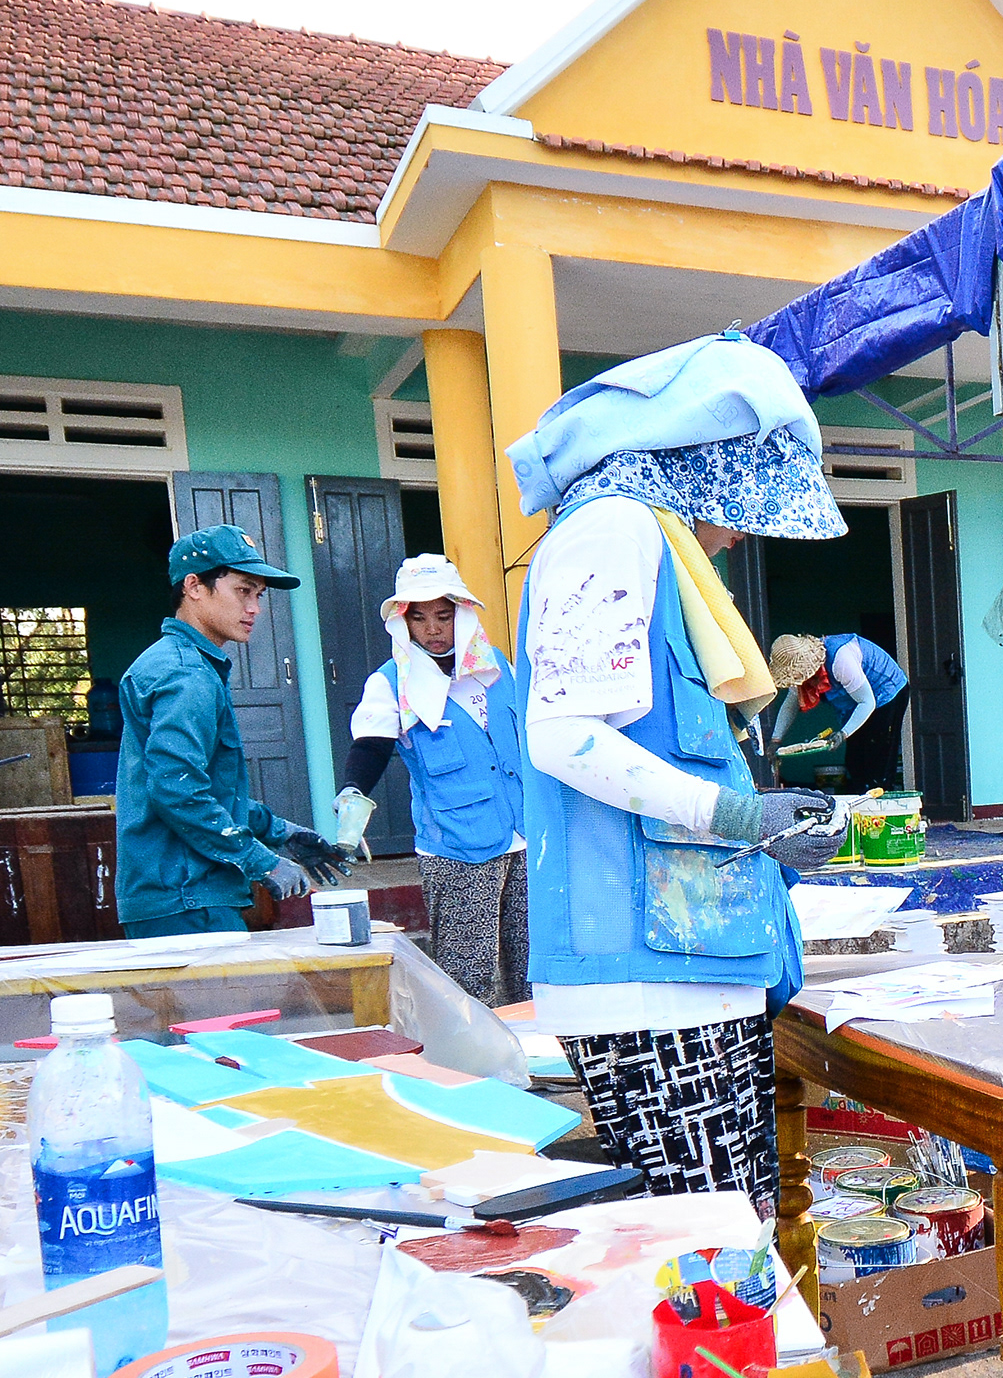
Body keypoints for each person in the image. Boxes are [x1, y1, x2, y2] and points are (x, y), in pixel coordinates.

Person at [506, 331, 837, 1213]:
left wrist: (755, 821)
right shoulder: (613, 528)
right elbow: (563, 735)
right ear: (705, 462)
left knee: (735, 1238)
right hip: (647, 981)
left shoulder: (648, 542)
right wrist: (738, 816)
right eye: (741, 501)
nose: (733, 534)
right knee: (714, 1251)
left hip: (689, 964)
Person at [113, 525, 340, 936]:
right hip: (186, 897)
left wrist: (279, 831)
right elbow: (178, 790)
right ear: (194, 586)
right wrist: (262, 860)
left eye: (259, 595)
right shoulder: (186, 674)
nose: (254, 607)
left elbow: (203, 788)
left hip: (180, 895)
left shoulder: (181, 664)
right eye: (242, 590)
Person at [333, 551, 530, 1006]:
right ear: (404, 622)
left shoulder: (496, 666)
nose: (434, 628)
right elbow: (371, 747)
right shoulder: (390, 683)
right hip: (458, 845)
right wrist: (352, 794)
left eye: (444, 615)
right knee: (469, 973)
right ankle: (478, 1065)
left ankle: (539, 1062)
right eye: (420, 619)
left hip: (524, 830)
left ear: (462, 614)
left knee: (531, 964)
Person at [765, 628, 910, 792]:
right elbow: (791, 704)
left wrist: (844, 733)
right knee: (854, 762)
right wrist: (775, 740)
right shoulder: (798, 673)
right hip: (854, 702)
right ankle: (861, 805)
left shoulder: (841, 658)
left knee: (877, 759)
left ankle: (880, 807)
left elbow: (867, 702)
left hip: (886, 692)